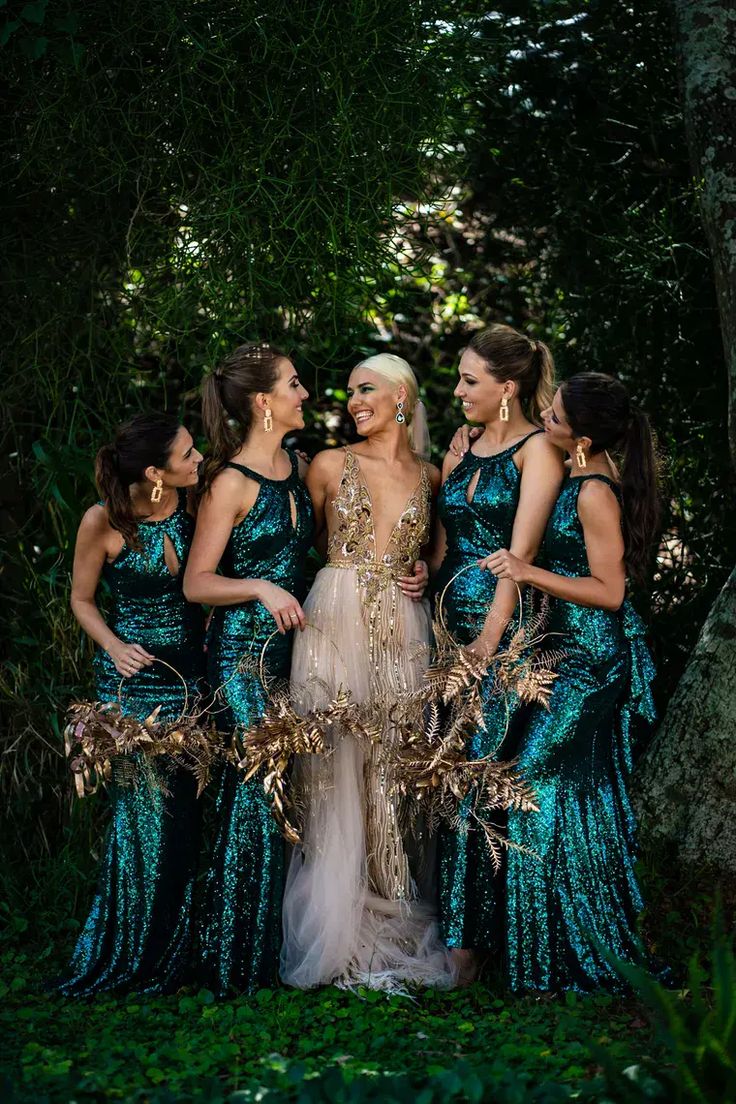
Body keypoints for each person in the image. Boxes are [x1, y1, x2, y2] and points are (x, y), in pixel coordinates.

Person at [280, 353, 454, 991]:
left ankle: (392, 903)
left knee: (394, 768)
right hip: (334, 618)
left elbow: (438, 547)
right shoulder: (328, 464)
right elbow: (289, 540)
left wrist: (427, 571)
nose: (353, 401)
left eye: (366, 389)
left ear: (403, 395)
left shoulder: (431, 474)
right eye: (349, 391)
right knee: (334, 763)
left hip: (404, 629)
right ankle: (337, 925)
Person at [484, 372, 659, 991]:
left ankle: (552, 959)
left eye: (554, 418)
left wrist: (527, 571)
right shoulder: (577, 475)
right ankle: (555, 951)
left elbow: (610, 593)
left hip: (591, 662)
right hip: (563, 653)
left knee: (528, 786)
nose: (544, 422)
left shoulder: (593, 493)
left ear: (581, 439)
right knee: (571, 799)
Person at [57, 413, 205, 996]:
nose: (199, 459)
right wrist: (115, 646)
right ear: (154, 472)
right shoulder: (104, 520)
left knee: (186, 817)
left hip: (194, 676)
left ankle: (180, 950)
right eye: (188, 453)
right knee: (143, 819)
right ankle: (131, 950)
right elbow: (81, 598)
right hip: (134, 684)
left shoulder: (195, 507)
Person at [433, 324, 564, 984]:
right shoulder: (467, 444)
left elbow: (522, 555)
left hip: (500, 632)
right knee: (446, 769)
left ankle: (466, 953)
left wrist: (489, 639)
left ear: (507, 388)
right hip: (445, 626)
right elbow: (447, 535)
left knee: (475, 776)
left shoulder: (537, 452)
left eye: (469, 380)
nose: (457, 390)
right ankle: (460, 936)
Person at [183, 342, 314, 996]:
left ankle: (263, 953)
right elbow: (197, 582)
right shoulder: (230, 481)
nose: (305, 394)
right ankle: (234, 962)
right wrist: (260, 586)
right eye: (293, 384)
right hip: (240, 657)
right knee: (260, 789)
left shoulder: (301, 465)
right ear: (263, 401)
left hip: (296, 654)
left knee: (285, 793)